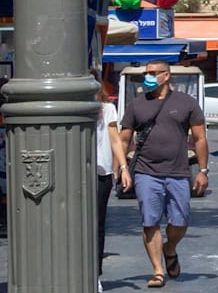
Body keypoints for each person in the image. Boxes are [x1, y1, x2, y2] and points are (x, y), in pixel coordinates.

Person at [121, 60, 209, 289]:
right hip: (145, 172)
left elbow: (200, 138)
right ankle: (158, 270)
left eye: (153, 73)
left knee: (180, 220)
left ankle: (170, 248)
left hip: (178, 171)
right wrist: (121, 169)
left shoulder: (186, 103)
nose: (148, 77)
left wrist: (202, 171)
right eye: (146, 73)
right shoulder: (136, 105)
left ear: (166, 76)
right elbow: (123, 139)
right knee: (150, 221)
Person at [95, 71, 130, 292]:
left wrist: (123, 167)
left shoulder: (107, 109)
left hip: (101, 172)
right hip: (76, 172)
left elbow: (115, 139)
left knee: (97, 224)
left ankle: (94, 273)